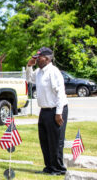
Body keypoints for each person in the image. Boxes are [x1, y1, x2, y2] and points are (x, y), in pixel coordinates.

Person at [26, 47, 68, 175]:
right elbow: (29, 79)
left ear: (48, 58)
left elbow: (60, 93)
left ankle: (58, 169)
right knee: (44, 140)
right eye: (36, 57)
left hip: (56, 110)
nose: (37, 59)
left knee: (56, 140)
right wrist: (29, 66)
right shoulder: (39, 71)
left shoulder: (53, 71)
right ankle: (49, 167)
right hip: (44, 110)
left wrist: (59, 113)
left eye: (40, 57)